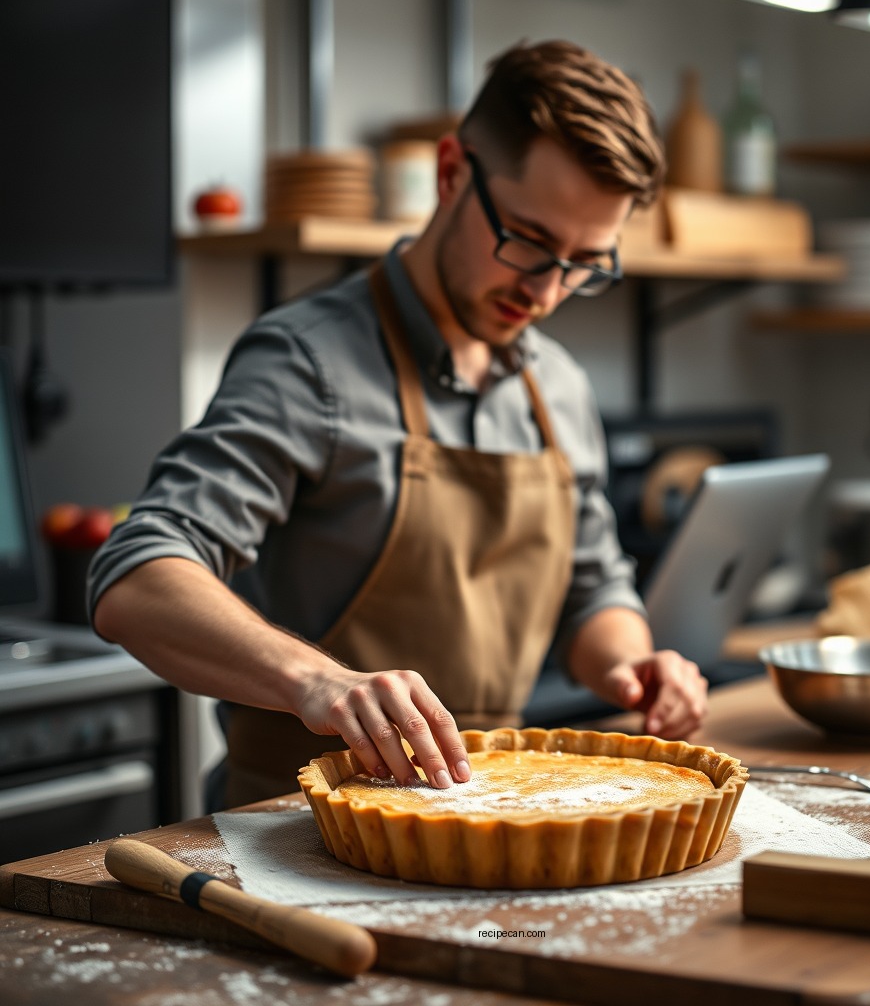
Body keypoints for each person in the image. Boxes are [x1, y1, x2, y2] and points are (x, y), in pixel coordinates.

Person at [89, 39, 708, 809]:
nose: (546, 292)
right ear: (451, 173)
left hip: (485, 817)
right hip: (296, 831)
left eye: (584, 262)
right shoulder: (309, 362)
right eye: (528, 240)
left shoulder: (557, 386)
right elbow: (136, 575)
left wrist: (631, 665)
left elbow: (593, 590)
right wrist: (319, 682)